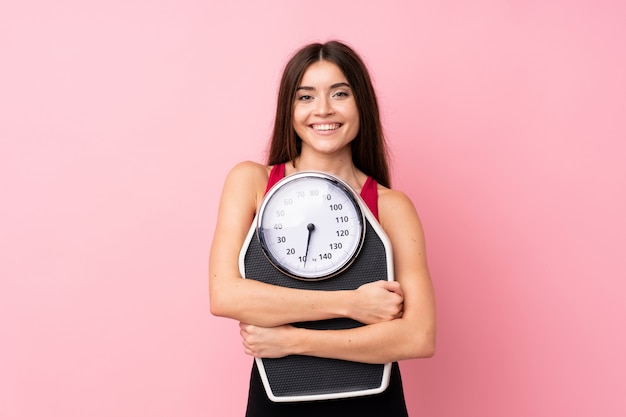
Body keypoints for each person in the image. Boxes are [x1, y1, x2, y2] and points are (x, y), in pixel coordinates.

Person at [209, 40, 436, 417]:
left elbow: (418, 336)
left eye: (340, 93)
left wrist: (293, 339)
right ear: (290, 109)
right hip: (277, 403)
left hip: (373, 405)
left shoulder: (391, 207)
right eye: (306, 97)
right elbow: (226, 295)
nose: (323, 110)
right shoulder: (251, 183)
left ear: (361, 103)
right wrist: (352, 304)